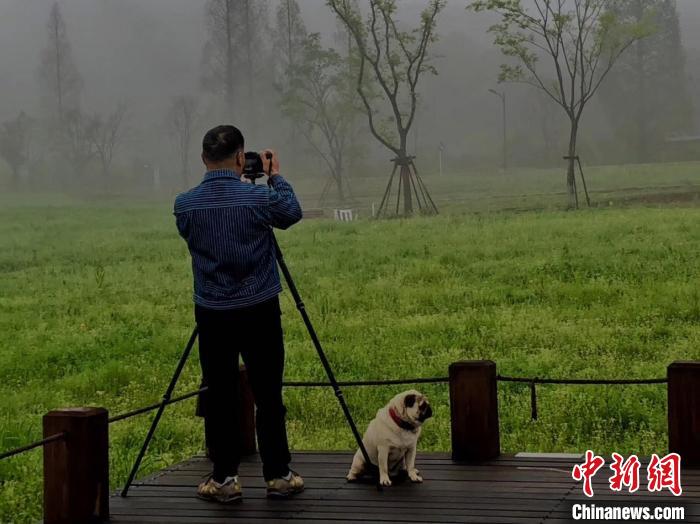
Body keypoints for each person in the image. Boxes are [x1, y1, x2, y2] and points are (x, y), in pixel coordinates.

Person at [174, 125, 303, 503]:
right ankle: (278, 475)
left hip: (213, 312)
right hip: (260, 308)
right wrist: (274, 176)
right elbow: (291, 213)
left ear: (202, 159)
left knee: (220, 395)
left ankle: (224, 479)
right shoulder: (256, 200)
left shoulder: (184, 204)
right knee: (268, 393)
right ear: (238, 158)